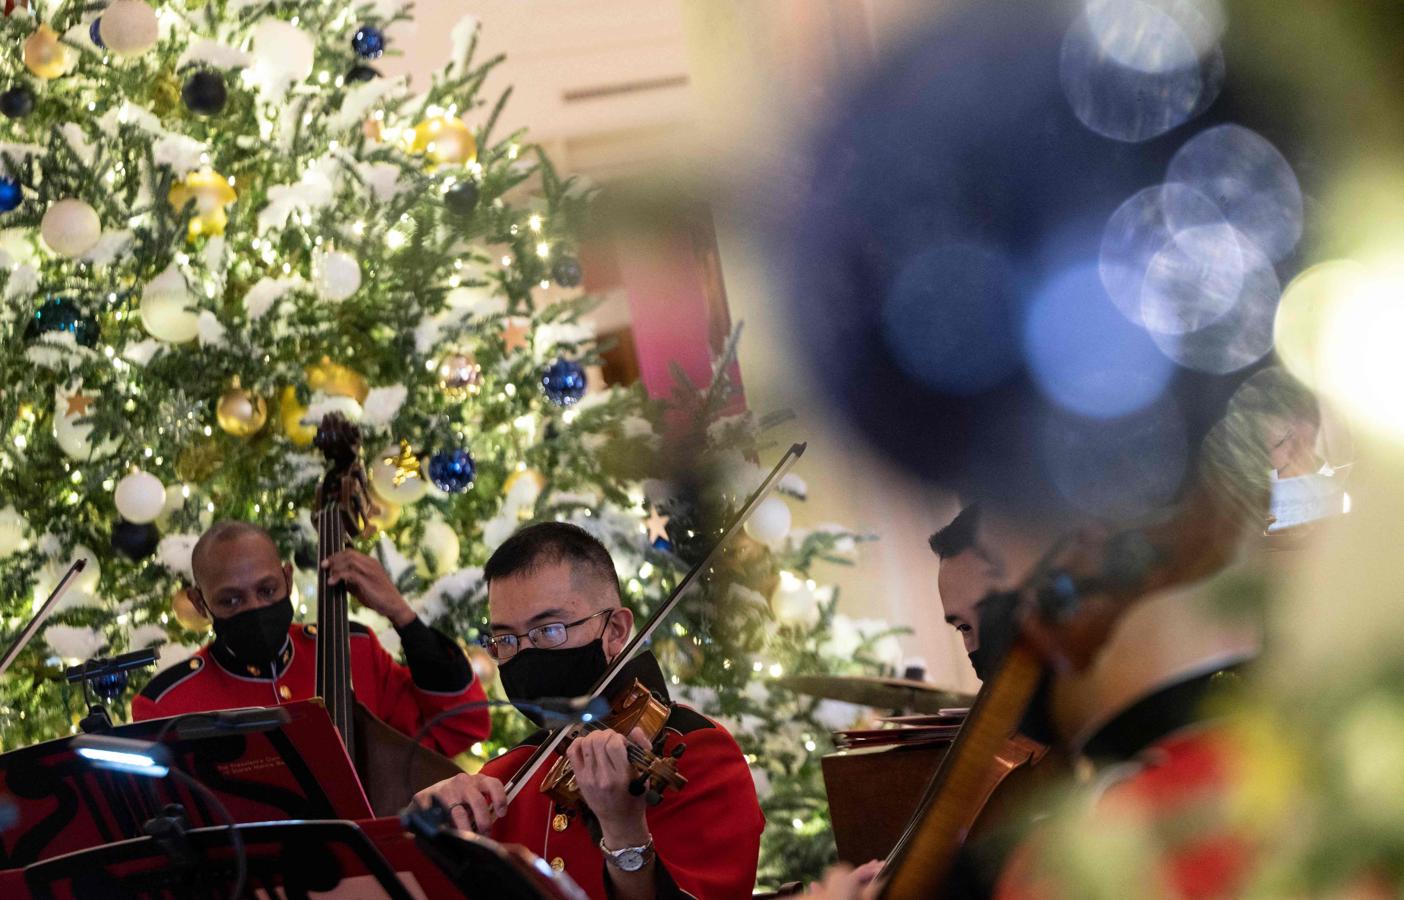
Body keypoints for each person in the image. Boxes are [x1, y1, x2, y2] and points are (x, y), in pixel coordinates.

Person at [412, 521, 763, 900]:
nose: (526, 655)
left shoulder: (698, 754)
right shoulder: (508, 776)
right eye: (506, 639)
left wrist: (625, 831)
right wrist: (427, 839)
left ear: (615, 631)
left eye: (548, 630)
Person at [132, 520, 490, 756]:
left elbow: (462, 724)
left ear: (287, 579)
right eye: (231, 600)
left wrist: (402, 615)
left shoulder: (353, 650)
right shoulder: (167, 704)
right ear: (198, 601)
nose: (255, 607)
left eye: (268, 590)